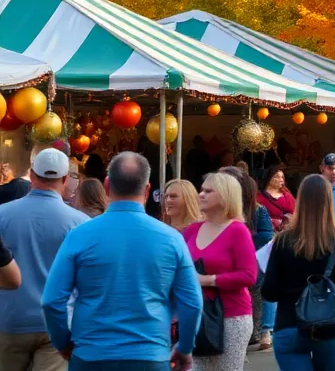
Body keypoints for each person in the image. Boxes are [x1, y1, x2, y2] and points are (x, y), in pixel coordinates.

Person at [42, 151, 203, 370]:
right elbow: (192, 302)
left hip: (91, 355)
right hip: (150, 355)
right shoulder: (171, 239)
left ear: (106, 185)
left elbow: (52, 300)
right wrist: (185, 347)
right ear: (147, 189)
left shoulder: (80, 235)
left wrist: (63, 343)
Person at [0, 147, 89, 370]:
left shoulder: (2, 215)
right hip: (57, 323)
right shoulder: (81, 223)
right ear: (65, 178)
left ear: (31, 174)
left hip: (8, 320)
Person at [263, 173, 335, 370]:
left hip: (289, 325)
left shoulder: (283, 242)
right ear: (329, 201)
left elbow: (269, 292)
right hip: (330, 326)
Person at [182, 171, 259, 371]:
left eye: (208, 191)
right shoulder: (192, 230)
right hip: (196, 314)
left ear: (225, 196)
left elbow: (249, 275)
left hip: (232, 316)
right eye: (201, 190)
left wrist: (207, 280)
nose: (201, 194)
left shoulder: (237, 230)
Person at [220, 165, 275, 353]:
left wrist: (244, 244)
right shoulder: (216, 212)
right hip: (228, 263)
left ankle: (261, 330)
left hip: (253, 258)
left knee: (258, 292)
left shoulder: (257, 210)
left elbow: (266, 235)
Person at [257, 165, 296, 232]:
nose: (281, 180)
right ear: (269, 178)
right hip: (268, 232)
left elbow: (296, 213)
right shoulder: (259, 198)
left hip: (286, 232)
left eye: (282, 177)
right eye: (277, 177)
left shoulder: (288, 196)